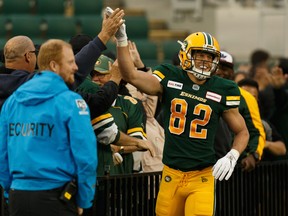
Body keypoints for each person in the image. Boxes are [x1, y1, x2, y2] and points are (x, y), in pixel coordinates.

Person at [116, 23, 249, 215]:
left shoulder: (224, 89)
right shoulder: (170, 76)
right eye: (200, 55)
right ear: (186, 54)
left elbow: (242, 132)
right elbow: (130, 75)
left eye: (209, 56)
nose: (205, 61)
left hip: (202, 176)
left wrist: (233, 155)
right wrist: (121, 41)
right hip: (171, 174)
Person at [0, 39, 97, 216]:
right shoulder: (71, 102)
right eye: (70, 62)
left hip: (18, 197)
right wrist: (84, 199)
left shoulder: (12, 102)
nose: (75, 67)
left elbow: (3, 154)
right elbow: (86, 156)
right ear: (54, 65)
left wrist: (9, 192)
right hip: (56, 197)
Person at [0, 8, 125, 111]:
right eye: (70, 62)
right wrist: (114, 79)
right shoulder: (38, 85)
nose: (74, 67)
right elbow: (97, 102)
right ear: (28, 56)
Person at [215, 51, 265, 171]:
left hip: (235, 165)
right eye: (216, 67)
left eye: (224, 68)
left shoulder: (246, 97)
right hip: (203, 164)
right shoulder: (200, 92)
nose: (219, 72)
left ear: (232, 72)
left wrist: (254, 155)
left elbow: (256, 131)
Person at [237, 78, 286, 160]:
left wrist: (264, 143)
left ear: (257, 100)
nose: (248, 100)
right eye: (245, 97)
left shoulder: (263, 124)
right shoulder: (224, 122)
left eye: (252, 97)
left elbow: (282, 149)